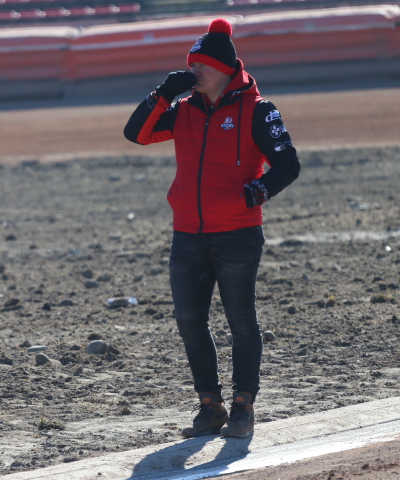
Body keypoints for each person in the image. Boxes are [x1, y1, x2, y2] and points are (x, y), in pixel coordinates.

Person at [123, 18, 300, 438]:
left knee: (241, 321)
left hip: (238, 233)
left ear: (223, 68)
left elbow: (288, 164)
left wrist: (257, 192)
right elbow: (136, 134)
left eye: (200, 64)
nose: (193, 71)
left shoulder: (259, 109)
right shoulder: (184, 109)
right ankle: (210, 406)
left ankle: (243, 406)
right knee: (189, 321)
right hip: (187, 234)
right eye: (191, 64)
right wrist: (163, 93)